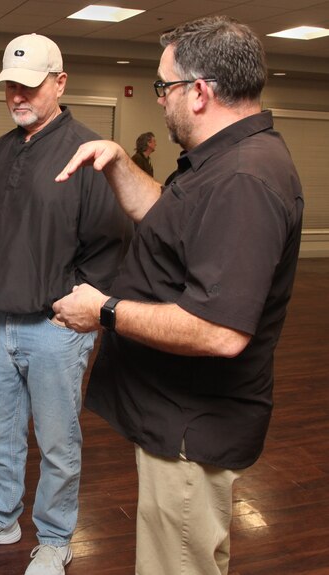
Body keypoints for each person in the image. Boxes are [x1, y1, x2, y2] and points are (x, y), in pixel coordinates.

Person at [53, 16, 303, 575]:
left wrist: (105, 312)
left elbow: (220, 331)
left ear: (199, 92)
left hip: (195, 423)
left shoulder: (244, 179)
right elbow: (169, 217)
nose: (158, 100)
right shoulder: (223, 164)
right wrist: (118, 162)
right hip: (176, 416)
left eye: (162, 87)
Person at [0, 34, 130, 575]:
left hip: (55, 328)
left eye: (29, 85)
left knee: (56, 442)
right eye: (10, 87)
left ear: (60, 83)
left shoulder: (87, 152)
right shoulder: (0, 151)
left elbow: (110, 244)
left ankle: (54, 537)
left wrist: (79, 313)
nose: (18, 96)